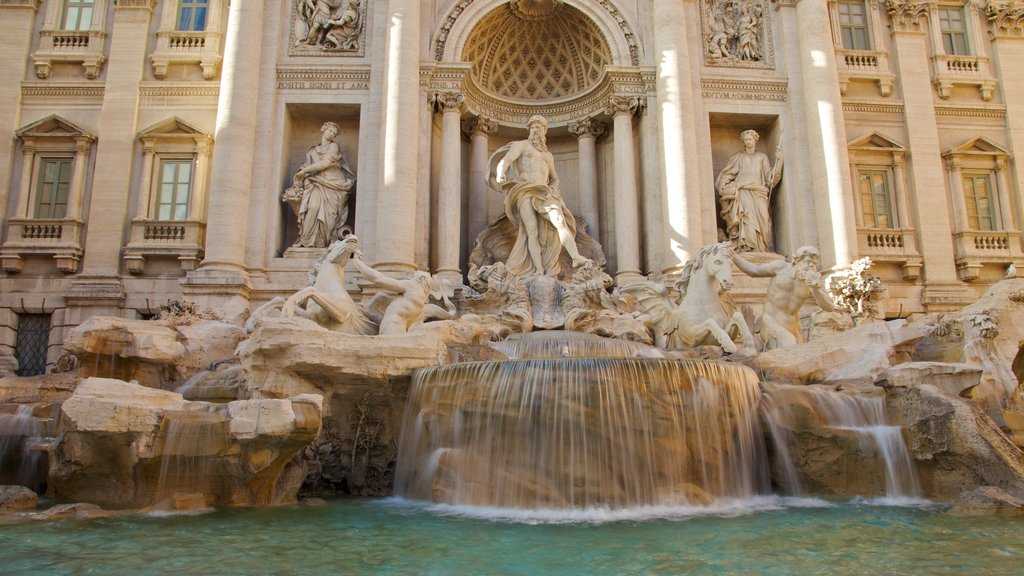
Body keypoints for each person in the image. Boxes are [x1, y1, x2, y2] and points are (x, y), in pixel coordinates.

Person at [493, 115, 591, 277]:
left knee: (559, 221)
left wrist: (553, 189)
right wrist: (500, 172)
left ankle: (575, 257)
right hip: (524, 190)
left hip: (544, 192)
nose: (536, 130)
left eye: (539, 127)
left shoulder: (547, 155)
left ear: (545, 131)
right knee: (531, 230)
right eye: (533, 127)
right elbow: (506, 160)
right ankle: (538, 269)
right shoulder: (521, 146)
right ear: (529, 130)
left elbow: (555, 178)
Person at [731, 246, 835, 350]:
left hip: (793, 326)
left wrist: (816, 289)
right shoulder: (780, 268)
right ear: (796, 262)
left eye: (814, 263)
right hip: (771, 321)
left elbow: (829, 307)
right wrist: (733, 256)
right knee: (790, 349)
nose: (811, 266)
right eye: (808, 262)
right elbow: (754, 271)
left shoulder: (813, 280)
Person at [283, 121, 355, 248]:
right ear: (323, 129)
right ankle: (306, 240)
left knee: (329, 215)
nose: (331, 134)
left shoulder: (333, 147)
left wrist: (305, 171)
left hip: (333, 184)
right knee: (313, 207)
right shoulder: (313, 150)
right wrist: (301, 172)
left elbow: (326, 163)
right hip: (316, 182)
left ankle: (323, 243)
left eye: (334, 132)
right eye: (330, 130)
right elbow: (307, 165)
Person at [716, 129, 782, 253]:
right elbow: (727, 174)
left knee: (763, 218)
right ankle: (746, 247)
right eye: (746, 140)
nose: (748, 142)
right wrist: (724, 187)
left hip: (758, 192)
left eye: (750, 139)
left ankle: (761, 248)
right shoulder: (738, 157)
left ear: (755, 140)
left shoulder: (762, 157)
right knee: (746, 219)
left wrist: (779, 162)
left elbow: (770, 178)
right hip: (743, 192)